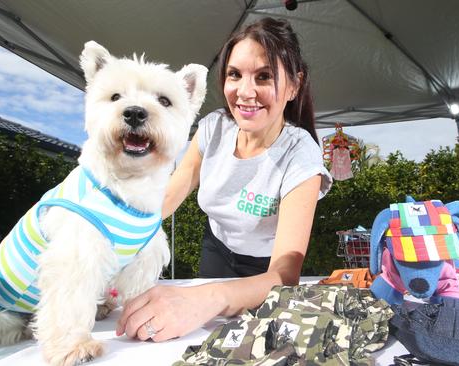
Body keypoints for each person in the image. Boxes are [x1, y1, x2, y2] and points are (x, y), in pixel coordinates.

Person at [116, 17, 332, 342]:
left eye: (264, 76)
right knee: (204, 340)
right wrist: (116, 242)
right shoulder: (214, 127)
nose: (245, 92)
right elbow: (171, 192)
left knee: (254, 343)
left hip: (264, 270)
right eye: (234, 74)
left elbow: (285, 276)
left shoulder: (301, 156)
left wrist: (206, 297)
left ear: (294, 85)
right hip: (216, 248)